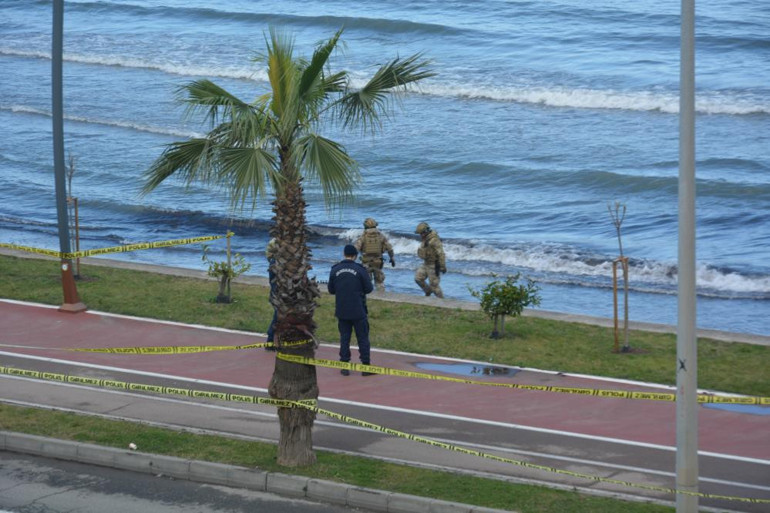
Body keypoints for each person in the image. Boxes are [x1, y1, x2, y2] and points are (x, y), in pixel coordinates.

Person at [328, 244, 375, 376]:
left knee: (344, 338)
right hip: (358, 309)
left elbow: (331, 290)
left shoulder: (335, 269)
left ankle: (344, 366)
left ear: (344, 254)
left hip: (342, 309)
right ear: (355, 256)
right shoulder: (360, 270)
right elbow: (369, 289)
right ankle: (366, 367)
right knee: (363, 338)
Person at [354, 217, 395, 292]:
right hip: (378, 263)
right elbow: (389, 248)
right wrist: (392, 258)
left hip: (366, 263)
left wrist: (352, 261)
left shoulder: (363, 237)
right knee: (379, 282)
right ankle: (381, 297)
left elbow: (355, 250)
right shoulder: (380, 236)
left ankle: (367, 297)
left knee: (366, 282)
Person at [414, 221, 446, 298]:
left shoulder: (434, 240)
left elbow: (441, 254)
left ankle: (442, 301)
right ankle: (428, 291)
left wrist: (442, 266)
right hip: (426, 263)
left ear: (426, 232)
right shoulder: (426, 239)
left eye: (421, 233)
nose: (420, 235)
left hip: (434, 265)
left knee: (434, 286)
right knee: (418, 278)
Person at [265, 238, 278, 350]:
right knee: (278, 317)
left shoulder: (273, 262)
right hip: (279, 294)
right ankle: (270, 339)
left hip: (276, 293)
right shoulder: (276, 264)